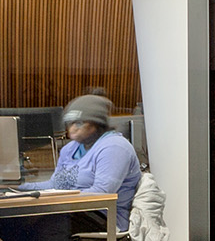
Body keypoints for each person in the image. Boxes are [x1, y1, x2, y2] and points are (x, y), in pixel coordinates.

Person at [18, 93, 142, 229]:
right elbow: (54, 185)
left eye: (79, 123)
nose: (72, 128)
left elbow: (102, 193)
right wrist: (16, 187)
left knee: (32, 225)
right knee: (13, 220)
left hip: (104, 218)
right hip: (72, 211)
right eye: (70, 123)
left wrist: (56, 202)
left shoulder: (115, 147)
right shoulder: (69, 149)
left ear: (97, 124)